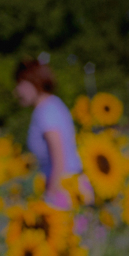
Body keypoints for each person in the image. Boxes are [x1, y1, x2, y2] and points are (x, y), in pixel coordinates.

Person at [14, 59, 91, 209]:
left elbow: (59, 158)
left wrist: (50, 197)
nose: (17, 91)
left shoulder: (46, 111)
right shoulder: (53, 105)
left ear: (34, 82)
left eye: (20, 84)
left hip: (65, 189)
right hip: (71, 184)